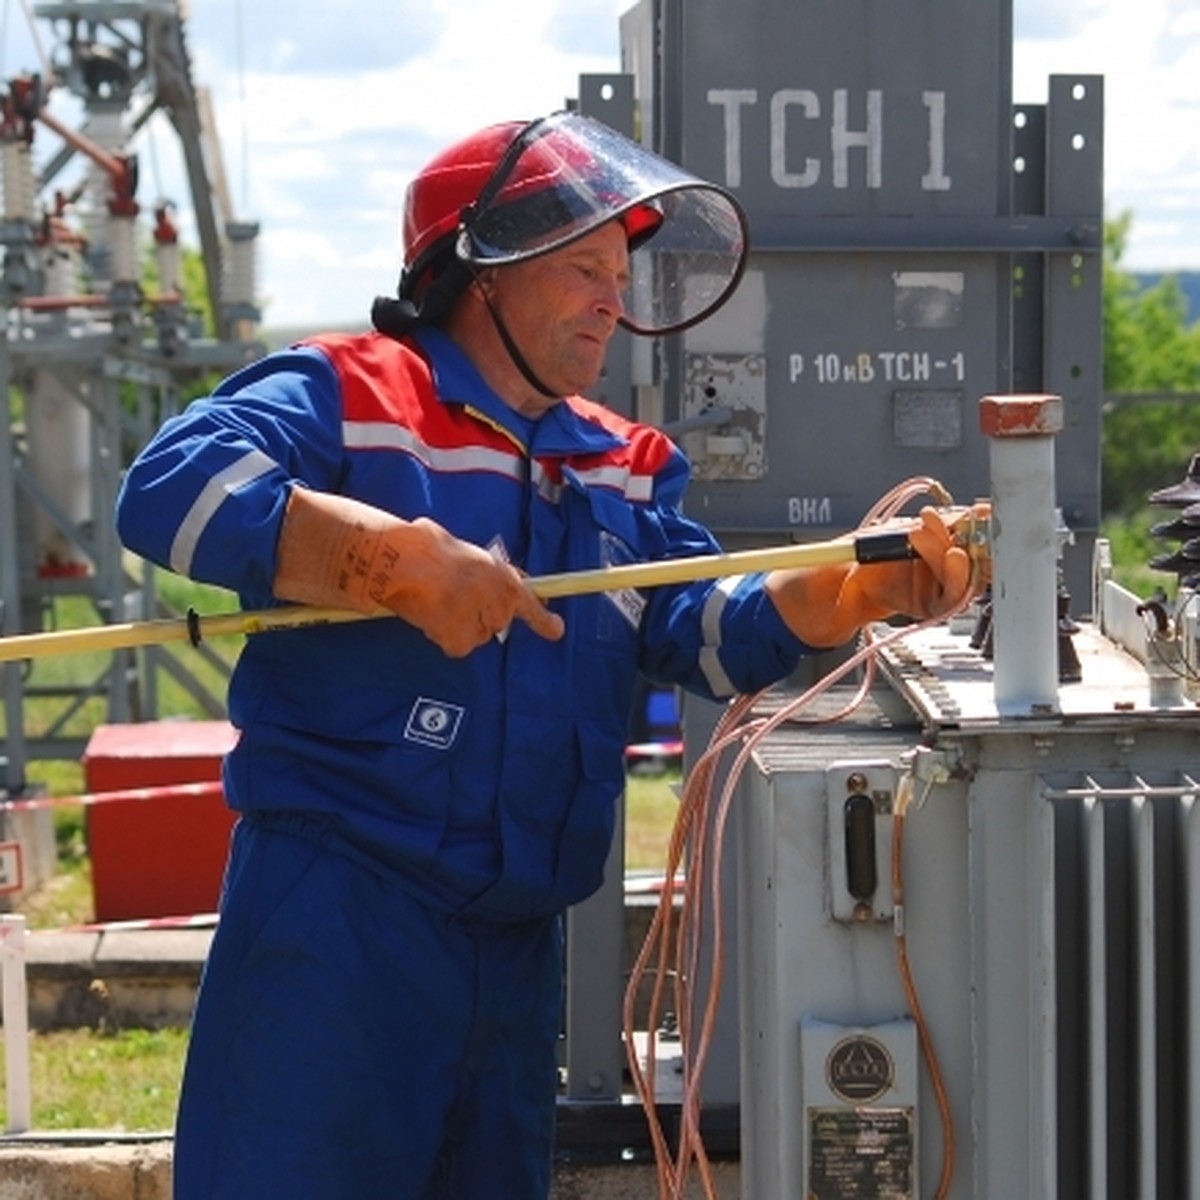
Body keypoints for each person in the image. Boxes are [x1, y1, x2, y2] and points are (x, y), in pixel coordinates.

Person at [115, 111, 972, 1199]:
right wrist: (387, 563)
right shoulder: (354, 398)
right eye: (585, 270)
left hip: (517, 949)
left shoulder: (619, 467)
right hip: (337, 933)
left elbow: (699, 624)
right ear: (483, 271)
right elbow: (166, 490)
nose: (616, 300)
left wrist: (849, 591)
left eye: (620, 274)